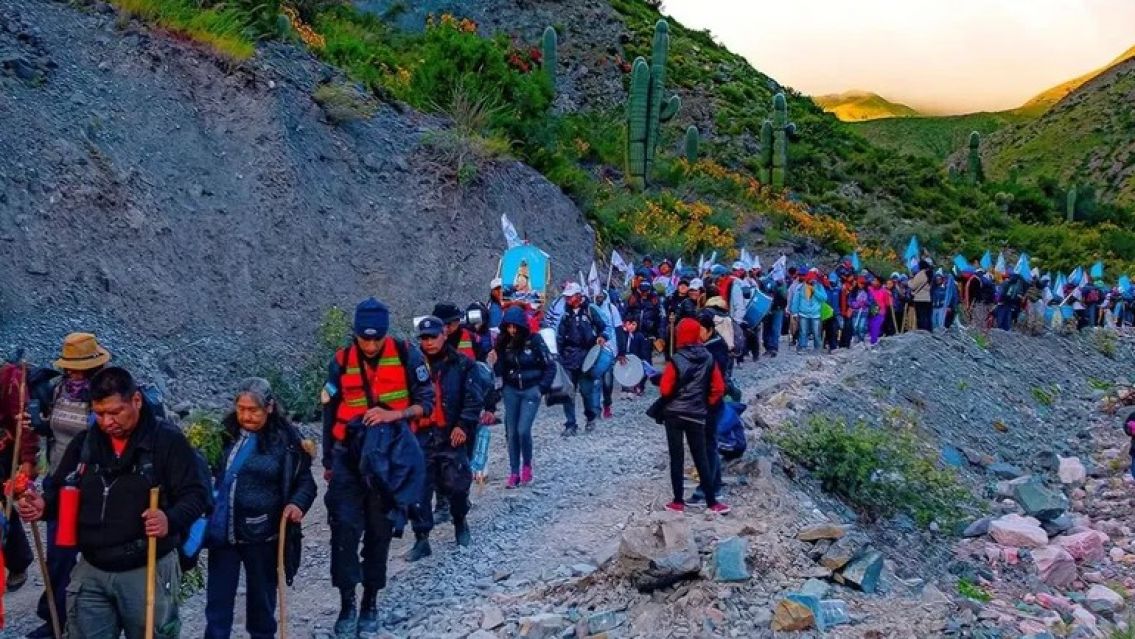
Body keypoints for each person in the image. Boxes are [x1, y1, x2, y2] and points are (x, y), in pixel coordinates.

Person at [17, 367, 211, 639]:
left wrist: (170, 519)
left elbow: (196, 494)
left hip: (147, 566)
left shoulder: (167, 442)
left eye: (115, 412)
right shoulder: (86, 443)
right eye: (100, 413)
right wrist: (43, 506)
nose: (108, 422)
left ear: (136, 401)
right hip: (92, 566)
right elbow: (62, 490)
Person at [321, 298, 434, 635]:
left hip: (390, 459)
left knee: (379, 529)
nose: (370, 345)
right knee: (343, 527)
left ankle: (370, 600)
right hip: (349, 458)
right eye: (364, 338)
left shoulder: (406, 355)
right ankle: (346, 603)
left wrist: (394, 414)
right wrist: (327, 460)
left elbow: (426, 402)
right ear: (354, 334)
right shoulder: (340, 362)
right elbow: (329, 413)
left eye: (376, 339)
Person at [204, 378, 317, 639]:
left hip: (263, 537)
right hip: (223, 534)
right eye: (241, 409)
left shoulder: (285, 442)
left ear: (269, 407)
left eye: (253, 410)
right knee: (217, 605)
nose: (246, 416)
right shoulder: (223, 435)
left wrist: (296, 504)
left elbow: (305, 482)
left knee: (261, 605)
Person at [22, 333, 111, 638]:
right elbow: (58, 428)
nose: (71, 371)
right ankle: (57, 618)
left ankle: (87, 617)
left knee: (88, 555)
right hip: (57, 482)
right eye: (68, 365)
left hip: (89, 486)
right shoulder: (60, 389)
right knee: (59, 555)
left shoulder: (102, 395)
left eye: (77, 366)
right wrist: (38, 424)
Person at [406, 316, 482, 561]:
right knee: (419, 491)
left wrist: (462, 426)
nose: (428, 342)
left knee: (458, 486)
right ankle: (421, 539)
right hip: (421, 436)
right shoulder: (412, 365)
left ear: (444, 335)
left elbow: (473, 399)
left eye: (432, 337)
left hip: (451, 435)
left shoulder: (462, 364)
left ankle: (460, 522)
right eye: (424, 338)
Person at [654, 318, 730, 515]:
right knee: (701, 457)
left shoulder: (676, 359)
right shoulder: (708, 357)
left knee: (676, 457)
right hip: (697, 414)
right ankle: (712, 502)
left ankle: (678, 501)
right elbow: (718, 388)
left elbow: (665, 389)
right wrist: (706, 404)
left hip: (674, 415)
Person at [490, 306, 555, 488]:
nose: (512, 331)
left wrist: (541, 388)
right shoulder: (502, 342)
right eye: (509, 327)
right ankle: (513, 471)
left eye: (515, 327)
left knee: (523, 430)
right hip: (511, 390)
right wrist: (495, 363)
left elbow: (550, 365)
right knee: (511, 433)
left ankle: (527, 464)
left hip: (531, 389)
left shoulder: (534, 340)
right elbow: (500, 371)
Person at [0, 357, 38, 599]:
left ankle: (18, 560)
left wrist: (27, 458)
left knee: (3, 511)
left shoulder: (7, 378)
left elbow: (22, 419)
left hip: (1, 451)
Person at [556, 283, 607, 436]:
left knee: (586, 391)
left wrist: (602, 337)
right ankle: (570, 424)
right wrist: (558, 356)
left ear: (578, 296)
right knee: (568, 392)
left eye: (570, 296)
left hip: (587, 356)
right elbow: (560, 337)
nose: (567, 299)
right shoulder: (565, 315)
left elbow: (603, 327)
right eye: (566, 296)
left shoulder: (590, 311)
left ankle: (590, 417)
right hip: (568, 357)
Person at [790, 272, 828, 353]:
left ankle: (817, 348)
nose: (812, 281)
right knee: (803, 331)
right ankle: (802, 347)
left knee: (816, 332)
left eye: (813, 280)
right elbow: (796, 300)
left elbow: (824, 298)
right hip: (803, 313)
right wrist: (794, 312)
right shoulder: (800, 287)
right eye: (810, 280)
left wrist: (814, 291)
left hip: (816, 314)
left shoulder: (819, 286)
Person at [615, 315, 650, 395]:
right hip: (625, 358)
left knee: (638, 373)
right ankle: (626, 387)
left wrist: (644, 360)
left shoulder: (640, 336)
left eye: (634, 324)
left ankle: (639, 386)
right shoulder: (623, 335)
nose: (631, 326)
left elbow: (644, 351)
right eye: (629, 324)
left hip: (637, 359)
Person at [762, 273, 787, 357]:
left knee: (775, 329)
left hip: (778, 309)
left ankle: (773, 349)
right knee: (767, 329)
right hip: (767, 309)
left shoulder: (782, 285)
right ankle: (768, 347)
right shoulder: (765, 282)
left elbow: (785, 296)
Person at [908, 261, 933, 331]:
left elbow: (913, 286)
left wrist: (910, 280)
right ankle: (928, 332)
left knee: (921, 318)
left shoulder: (921, 274)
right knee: (927, 317)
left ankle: (922, 332)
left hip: (920, 298)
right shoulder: (930, 274)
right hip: (928, 298)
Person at [867, 277, 893, 346]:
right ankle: (873, 342)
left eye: (875, 281)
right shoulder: (870, 289)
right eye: (874, 280)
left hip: (881, 312)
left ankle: (874, 343)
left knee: (876, 327)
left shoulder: (884, 292)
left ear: (879, 283)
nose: (874, 282)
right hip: (872, 311)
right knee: (871, 326)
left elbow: (887, 303)